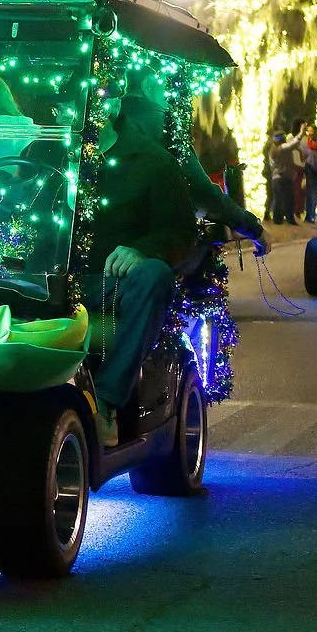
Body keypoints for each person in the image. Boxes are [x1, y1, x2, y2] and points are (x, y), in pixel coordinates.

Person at [80, 92, 194, 446]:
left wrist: (143, 250)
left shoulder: (152, 162)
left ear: (113, 104)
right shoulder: (48, 151)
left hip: (107, 283)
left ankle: (106, 402)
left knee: (154, 276)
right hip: (44, 277)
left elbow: (181, 231)